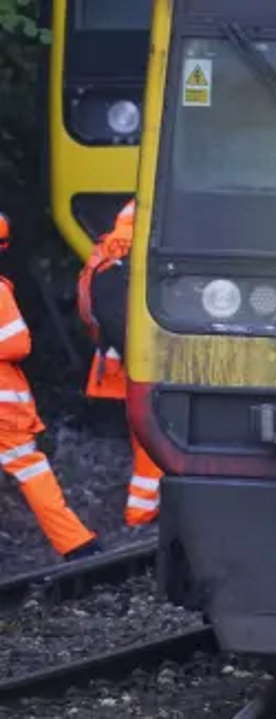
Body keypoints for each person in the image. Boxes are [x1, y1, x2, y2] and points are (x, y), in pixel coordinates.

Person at [0, 212, 101, 560]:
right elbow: (18, 343)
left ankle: (75, 543)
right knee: (32, 470)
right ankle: (75, 544)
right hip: (4, 409)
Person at [76, 199, 163, 526]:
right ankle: (142, 512)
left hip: (123, 360)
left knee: (145, 433)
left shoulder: (107, 253)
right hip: (142, 361)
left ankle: (142, 510)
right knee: (155, 432)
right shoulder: (129, 260)